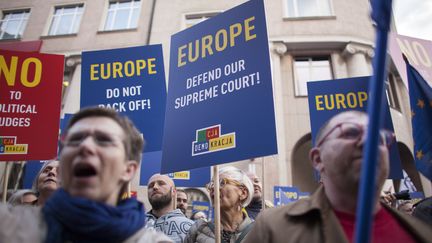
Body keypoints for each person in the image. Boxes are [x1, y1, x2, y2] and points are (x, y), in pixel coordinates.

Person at [245, 111, 431, 243]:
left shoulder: (421, 233)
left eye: (379, 137)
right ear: (317, 159)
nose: (368, 140)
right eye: (350, 132)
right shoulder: (272, 229)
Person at [0, 107, 171, 243]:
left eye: (104, 140)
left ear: (128, 170)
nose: (85, 146)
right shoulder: (8, 228)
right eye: (75, 140)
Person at [185, 166, 255, 243]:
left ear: (243, 193)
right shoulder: (199, 229)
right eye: (211, 184)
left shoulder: (259, 231)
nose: (213, 188)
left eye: (221, 182)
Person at [146, 174, 194, 243]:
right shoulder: (134, 225)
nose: (155, 187)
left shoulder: (192, 227)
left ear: (173, 192)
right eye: (150, 186)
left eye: (161, 184)